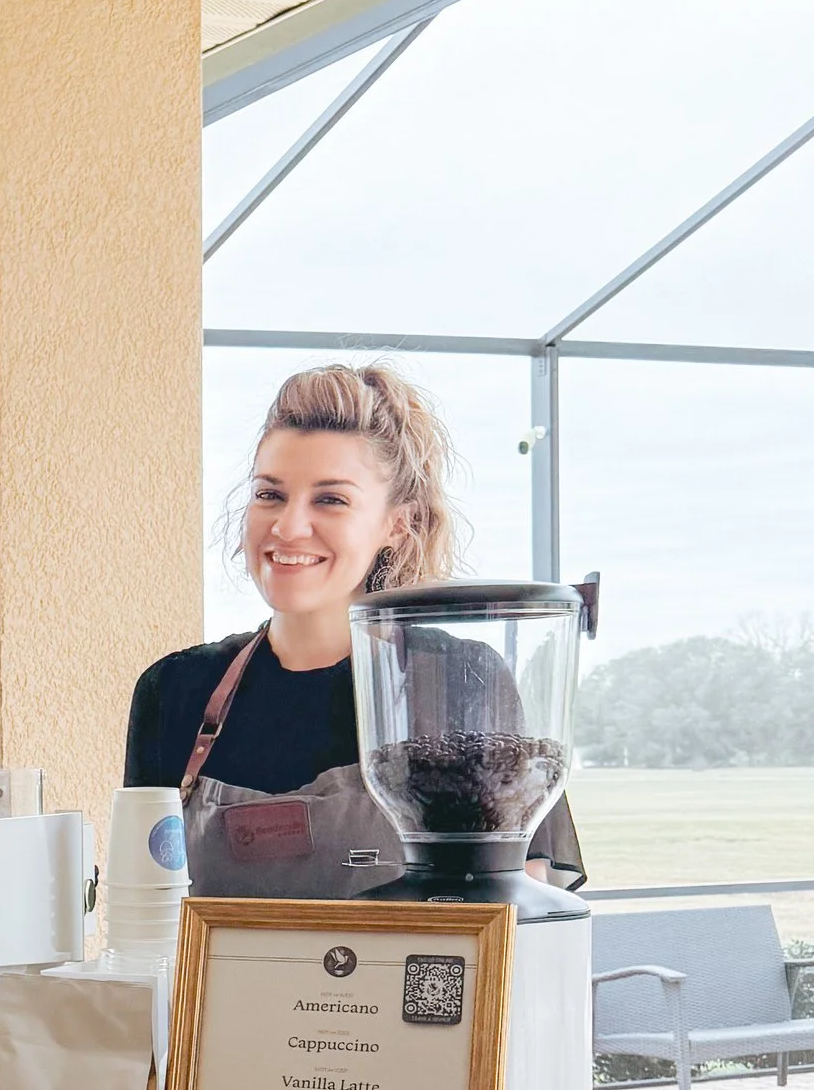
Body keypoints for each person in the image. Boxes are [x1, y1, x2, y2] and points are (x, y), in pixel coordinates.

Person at [125, 361, 582, 898]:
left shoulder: (455, 679)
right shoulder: (176, 691)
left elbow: (518, 902)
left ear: (397, 524)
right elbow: (143, 915)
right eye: (269, 494)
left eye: (330, 499)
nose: (288, 526)